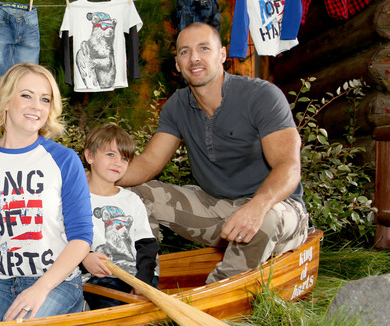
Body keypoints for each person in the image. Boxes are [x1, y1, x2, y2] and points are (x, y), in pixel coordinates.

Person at [118, 22, 309, 283]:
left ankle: (210, 302)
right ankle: (144, 279)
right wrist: (98, 178)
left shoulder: (261, 96)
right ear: (177, 63)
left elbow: (289, 165)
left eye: (204, 48)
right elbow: (149, 161)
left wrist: (258, 206)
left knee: (265, 221)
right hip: (217, 209)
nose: (194, 58)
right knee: (134, 194)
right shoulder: (177, 106)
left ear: (222, 55)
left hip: (276, 210)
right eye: (185, 52)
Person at [0, 62, 93, 325]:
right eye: (26, 95)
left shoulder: (63, 160)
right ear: (6, 101)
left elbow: (81, 239)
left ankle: (75, 307)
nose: (37, 106)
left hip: (55, 281)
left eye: (45, 99)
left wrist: (41, 288)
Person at [80, 123, 159, 309]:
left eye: (124, 158)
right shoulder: (76, 198)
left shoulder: (131, 200)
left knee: (154, 312)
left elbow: (147, 245)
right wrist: (85, 259)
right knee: (111, 309)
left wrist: (143, 281)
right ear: (90, 156)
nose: (118, 162)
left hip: (135, 275)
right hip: (98, 278)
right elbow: (62, 240)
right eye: (110, 154)